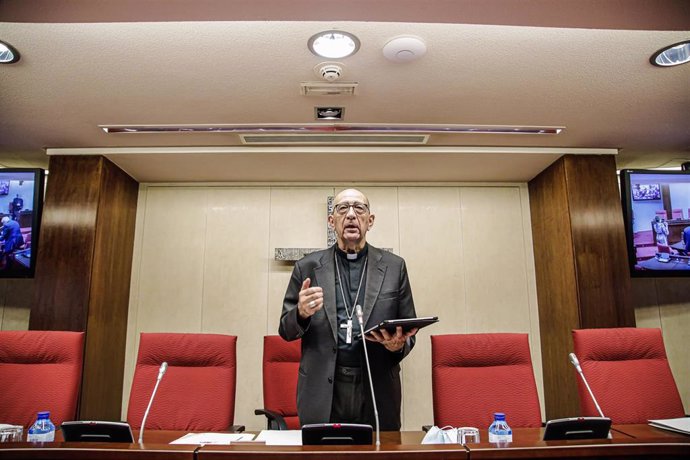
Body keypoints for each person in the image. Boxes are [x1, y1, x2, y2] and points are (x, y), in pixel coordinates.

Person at [279, 188, 418, 431]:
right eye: (343, 209)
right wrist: (301, 313)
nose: (351, 215)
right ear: (332, 221)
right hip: (323, 389)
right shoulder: (307, 267)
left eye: (359, 209)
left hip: (376, 387)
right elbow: (285, 330)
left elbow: (409, 329)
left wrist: (399, 345)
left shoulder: (395, 267)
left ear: (370, 221)